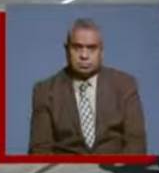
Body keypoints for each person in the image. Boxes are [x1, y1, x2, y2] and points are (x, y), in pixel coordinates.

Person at [29, 18, 146, 155]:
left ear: (101, 51)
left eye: (91, 48)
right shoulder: (45, 91)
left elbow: (136, 143)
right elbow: (40, 149)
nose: (84, 56)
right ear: (67, 50)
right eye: (77, 48)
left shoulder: (125, 85)